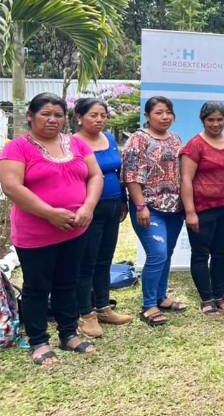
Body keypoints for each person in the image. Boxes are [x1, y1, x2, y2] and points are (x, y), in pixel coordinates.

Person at [0, 93, 103, 365]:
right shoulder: (17, 148)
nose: (52, 119)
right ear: (30, 116)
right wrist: (50, 214)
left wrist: (88, 208)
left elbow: (95, 176)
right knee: (37, 287)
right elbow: (11, 187)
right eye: (46, 114)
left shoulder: (76, 144)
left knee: (67, 282)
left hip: (76, 229)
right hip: (36, 234)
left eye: (58, 115)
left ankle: (69, 334)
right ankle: (38, 341)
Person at [122, 96, 185, 327]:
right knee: (157, 253)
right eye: (159, 112)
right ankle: (149, 305)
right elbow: (131, 176)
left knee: (166, 253)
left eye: (168, 112)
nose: (165, 116)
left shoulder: (175, 139)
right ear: (147, 116)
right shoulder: (138, 140)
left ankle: (161, 297)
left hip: (175, 208)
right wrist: (140, 206)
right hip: (148, 207)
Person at [180, 102, 224, 316]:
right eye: (211, 120)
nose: (215, 124)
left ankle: (219, 295)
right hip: (202, 210)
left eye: (219, 120)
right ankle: (207, 298)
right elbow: (186, 179)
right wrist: (190, 212)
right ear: (203, 120)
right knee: (201, 254)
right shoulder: (195, 145)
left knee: (221, 254)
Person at [73, 98, 132, 338]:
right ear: (79, 117)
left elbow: (118, 172)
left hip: (112, 206)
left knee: (104, 260)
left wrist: (124, 201)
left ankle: (104, 308)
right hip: (88, 209)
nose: (99, 120)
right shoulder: (73, 142)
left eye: (102, 115)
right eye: (93, 115)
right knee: (86, 262)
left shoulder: (108, 139)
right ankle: (85, 314)